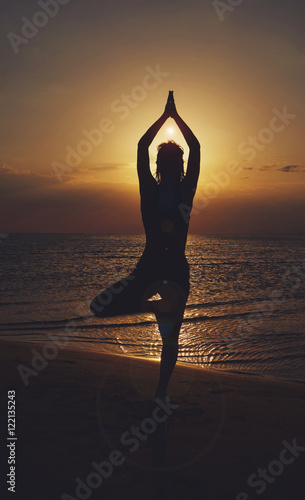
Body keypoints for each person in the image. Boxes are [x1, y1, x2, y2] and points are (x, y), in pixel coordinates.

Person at [90, 91, 200, 398]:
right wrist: (172, 116)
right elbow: (193, 147)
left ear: (175, 165)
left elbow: (185, 148)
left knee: (171, 339)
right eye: (168, 158)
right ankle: (151, 308)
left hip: (174, 271)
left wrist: (168, 116)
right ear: (165, 164)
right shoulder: (155, 191)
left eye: (171, 158)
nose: (169, 162)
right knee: (98, 307)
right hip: (151, 267)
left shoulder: (179, 192)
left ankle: (161, 392)